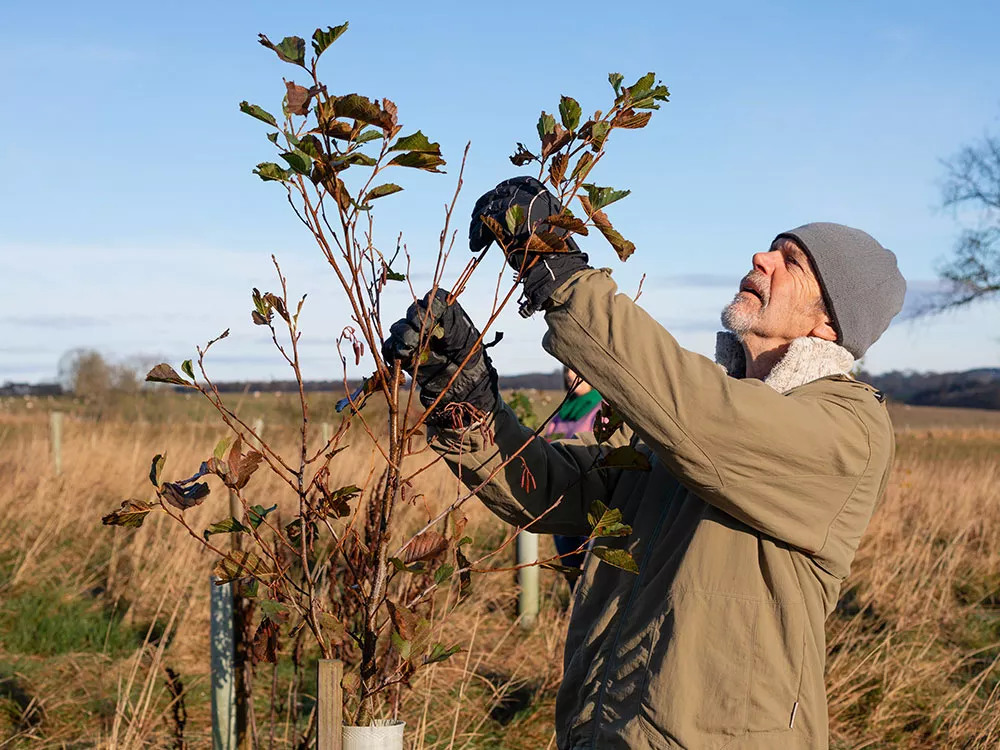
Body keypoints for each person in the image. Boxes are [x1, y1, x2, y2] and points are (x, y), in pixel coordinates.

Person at [382, 176, 905, 749]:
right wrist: (464, 400)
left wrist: (558, 269)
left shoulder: (847, 430)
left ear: (828, 322)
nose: (762, 257)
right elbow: (565, 493)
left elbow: (707, 413)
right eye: (771, 246)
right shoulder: (692, 430)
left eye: (791, 261)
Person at [544, 366, 604, 576]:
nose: (570, 376)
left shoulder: (602, 409)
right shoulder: (562, 412)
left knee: (591, 575)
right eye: (566, 371)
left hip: (591, 504)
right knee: (570, 570)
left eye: (576, 370)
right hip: (561, 501)